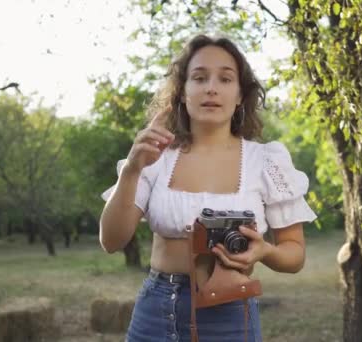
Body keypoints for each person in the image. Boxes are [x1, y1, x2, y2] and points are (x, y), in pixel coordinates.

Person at [100, 34, 317, 342]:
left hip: (230, 317)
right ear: (183, 91)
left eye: (225, 79)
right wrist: (133, 170)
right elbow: (111, 240)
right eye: (199, 78)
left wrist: (264, 250)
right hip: (155, 314)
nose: (211, 88)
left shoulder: (267, 161)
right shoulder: (156, 157)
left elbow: (295, 255)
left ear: (240, 94)